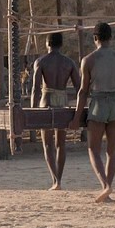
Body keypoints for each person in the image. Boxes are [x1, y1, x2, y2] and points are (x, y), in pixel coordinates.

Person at [68, 23, 115, 203]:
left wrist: (76, 118)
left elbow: (83, 92)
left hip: (98, 104)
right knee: (112, 152)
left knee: (93, 149)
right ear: (110, 37)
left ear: (95, 38)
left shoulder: (88, 60)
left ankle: (105, 185)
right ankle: (107, 192)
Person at [31, 32, 79, 191]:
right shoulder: (69, 63)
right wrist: (79, 110)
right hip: (62, 102)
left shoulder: (41, 62)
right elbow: (79, 89)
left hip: (47, 101)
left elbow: (35, 89)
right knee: (61, 144)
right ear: (61, 44)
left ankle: (55, 180)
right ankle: (59, 179)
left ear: (47, 44)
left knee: (47, 144)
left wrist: (32, 111)